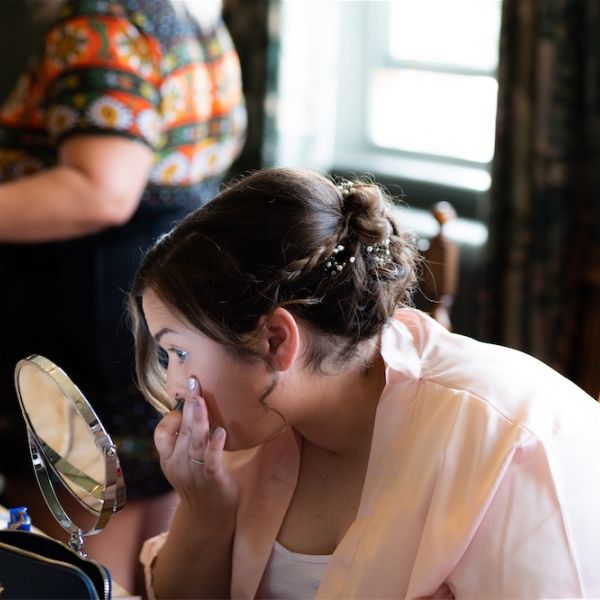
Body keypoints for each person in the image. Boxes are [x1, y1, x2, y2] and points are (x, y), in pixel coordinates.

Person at [128, 167, 600, 599]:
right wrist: (206, 511)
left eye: (179, 353)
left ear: (275, 340)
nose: (173, 385)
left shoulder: (507, 446)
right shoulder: (248, 427)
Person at [0, 0, 245, 593]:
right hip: (164, 303)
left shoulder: (103, 24)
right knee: (144, 550)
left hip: (89, 311)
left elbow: (101, 190)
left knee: (72, 562)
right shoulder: (188, 16)